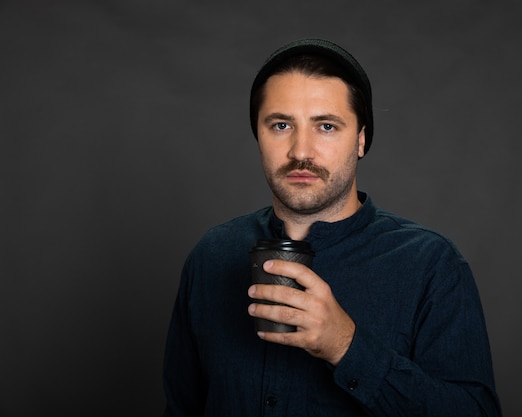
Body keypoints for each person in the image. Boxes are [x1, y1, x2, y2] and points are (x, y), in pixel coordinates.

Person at [162, 38, 502, 416]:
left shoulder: (432, 265)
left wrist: (346, 346)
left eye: (326, 126)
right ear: (258, 136)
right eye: (280, 125)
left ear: (361, 139)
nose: (301, 151)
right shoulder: (213, 254)